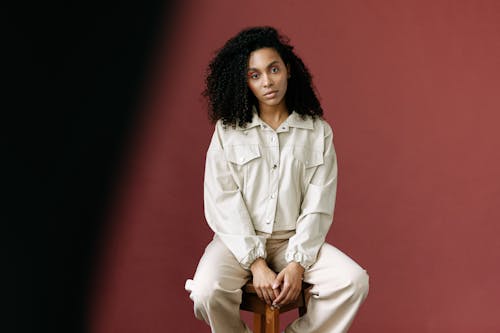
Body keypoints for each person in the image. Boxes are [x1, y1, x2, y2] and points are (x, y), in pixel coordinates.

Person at [185, 26, 369, 333]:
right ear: (243, 82)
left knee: (353, 281)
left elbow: (318, 203)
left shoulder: (317, 132)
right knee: (206, 291)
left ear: (288, 71)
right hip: (237, 241)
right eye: (254, 75)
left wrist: (297, 264)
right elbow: (223, 200)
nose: (267, 81)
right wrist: (256, 263)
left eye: (273, 69)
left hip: (293, 241)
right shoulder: (227, 132)